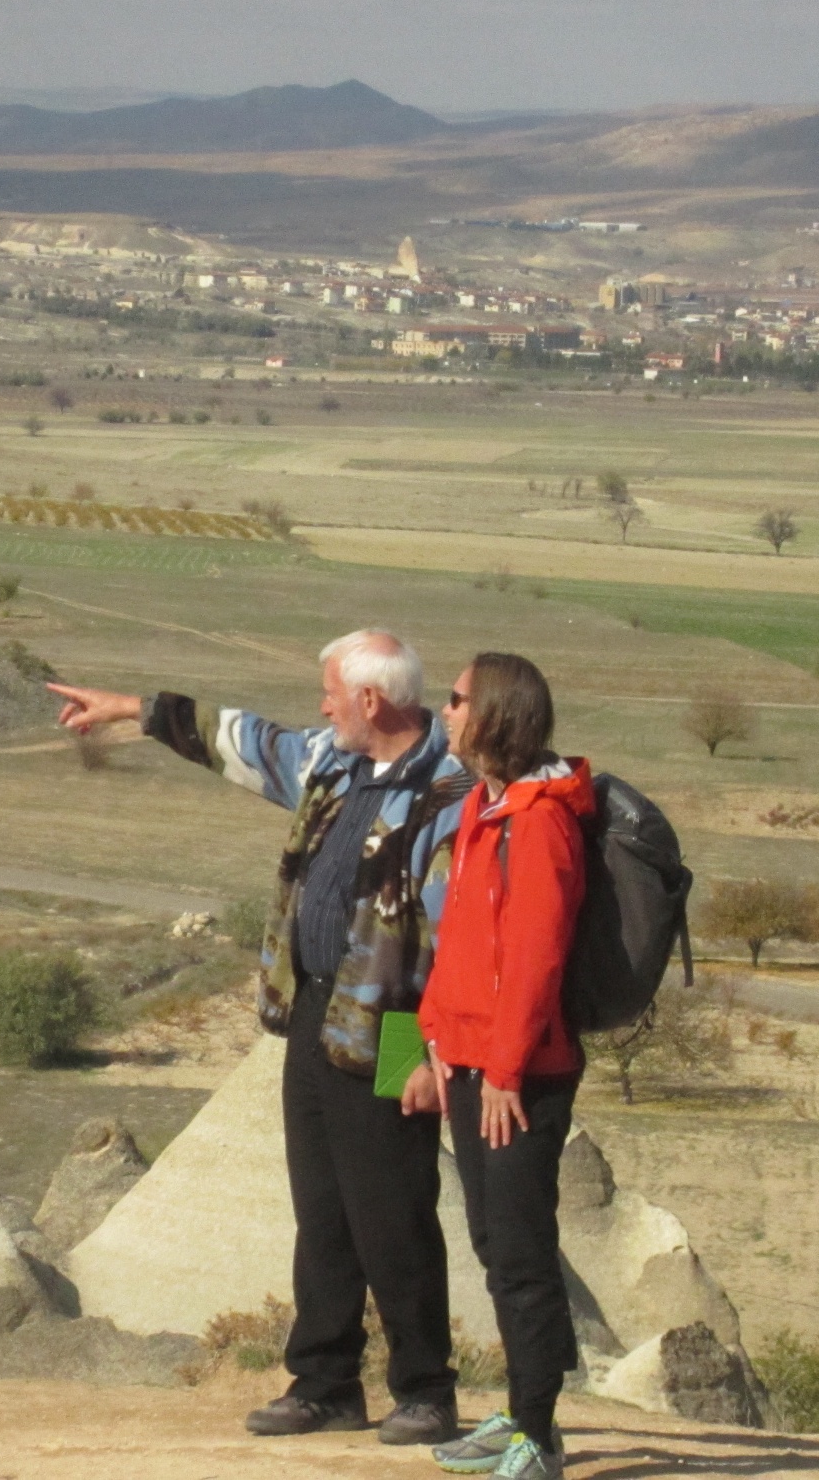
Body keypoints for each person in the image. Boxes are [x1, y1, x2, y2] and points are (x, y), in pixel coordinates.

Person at [49, 631, 475, 1446]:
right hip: (315, 1008)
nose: (320, 707)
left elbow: (459, 939)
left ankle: (426, 1389)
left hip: (396, 1028)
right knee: (321, 1207)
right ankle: (325, 1383)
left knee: (394, 1207)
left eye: (330, 693)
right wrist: (132, 711)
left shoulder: (448, 795)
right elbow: (243, 741)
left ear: (372, 701)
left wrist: (428, 1050)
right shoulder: (335, 763)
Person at [400, 652, 591, 1480]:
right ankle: (521, 1412)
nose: (443, 711)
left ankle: (539, 1436)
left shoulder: (542, 819)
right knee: (490, 1239)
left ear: (496, 715)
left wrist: (506, 1071)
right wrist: (435, 1043)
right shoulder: (485, 804)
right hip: (474, 1063)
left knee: (519, 1249)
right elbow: (458, 947)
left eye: (456, 699)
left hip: (522, 1074)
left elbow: (537, 955)